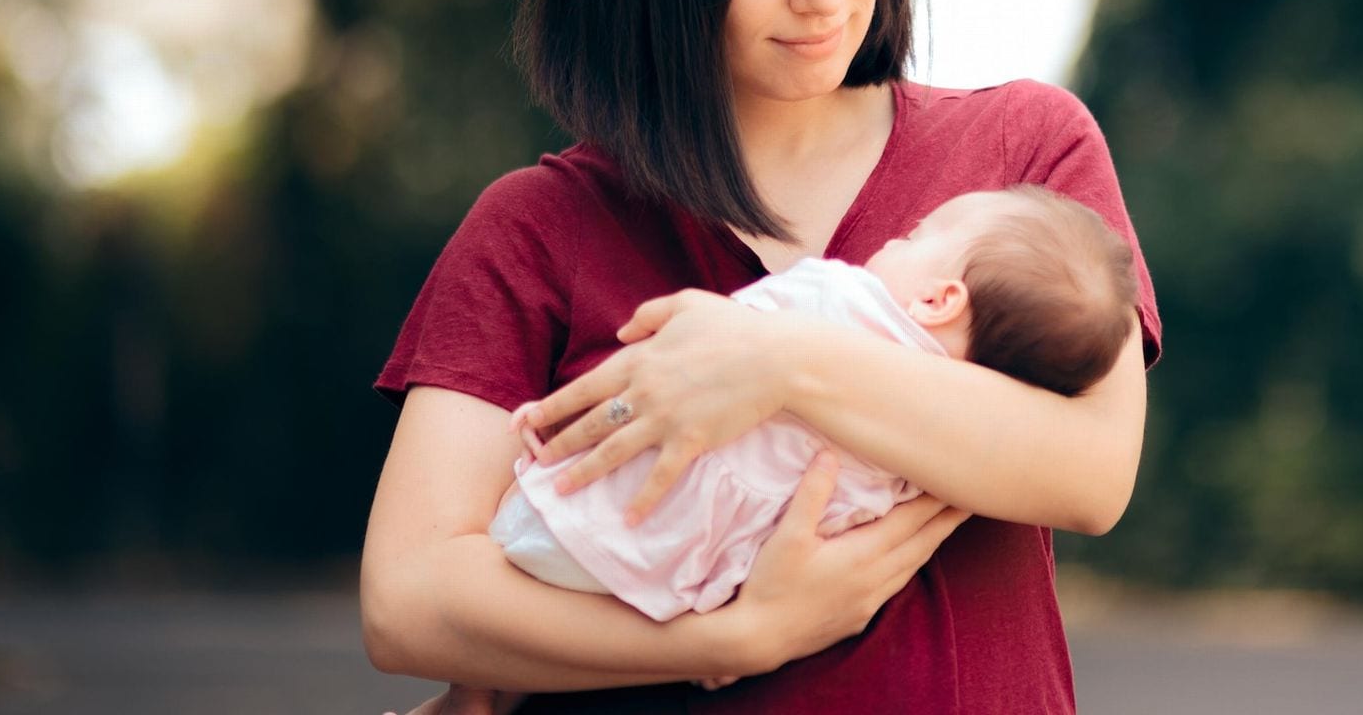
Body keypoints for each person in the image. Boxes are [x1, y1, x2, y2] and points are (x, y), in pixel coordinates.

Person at [361, 0, 1161, 715]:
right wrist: (731, 636)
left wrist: (779, 359)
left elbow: (1092, 468)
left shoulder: (1021, 155)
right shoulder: (540, 230)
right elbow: (409, 598)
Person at [418, 186, 1141, 714]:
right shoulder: (917, 458)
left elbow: (722, 335)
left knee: (528, 570)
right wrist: (727, 638)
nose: (898, 237)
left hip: (592, 519)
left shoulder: (839, 298)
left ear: (939, 300)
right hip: (679, 580)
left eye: (920, 229)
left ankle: (475, 693)